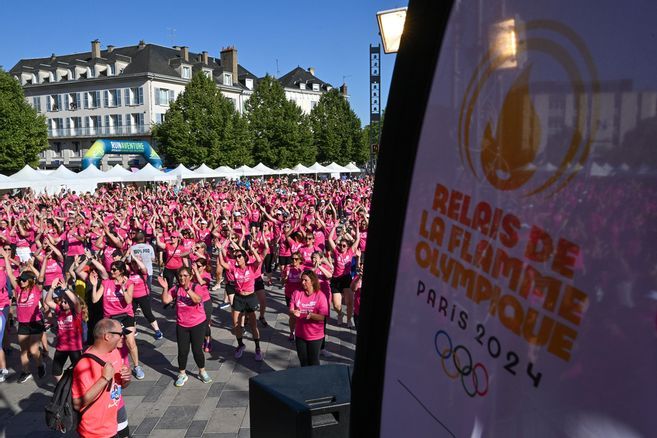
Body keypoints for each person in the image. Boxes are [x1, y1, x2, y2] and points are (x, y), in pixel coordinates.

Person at [72, 318, 132, 438]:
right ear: (107, 336)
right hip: (95, 432)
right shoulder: (85, 364)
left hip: (112, 425)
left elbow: (121, 385)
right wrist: (104, 379)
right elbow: (77, 404)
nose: (123, 337)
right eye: (120, 334)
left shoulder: (114, 352)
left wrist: (126, 378)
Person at [90, 258, 145, 380]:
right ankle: (115, 365)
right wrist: (94, 286)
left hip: (125, 315)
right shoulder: (105, 282)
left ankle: (136, 366)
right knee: (112, 344)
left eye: (114, 270)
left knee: (130, 342)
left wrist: (123, 288)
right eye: (111, 269)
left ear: (121, 271)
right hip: (110, 317)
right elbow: (94, 299)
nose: (112, 271)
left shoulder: (129, 282)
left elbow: (129, 301)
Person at [158, 267, 213, 386]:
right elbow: (166, 300)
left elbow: (197, 299)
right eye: (180, 276)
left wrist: (187, 289)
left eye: (185, 276)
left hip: (198, 324)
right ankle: (182, 374)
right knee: (182, 351)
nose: (182, 278)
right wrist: (165, 288)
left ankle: (202, 371)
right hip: (182, 324)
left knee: (197, 350)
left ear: (190, 276)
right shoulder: (176, 288)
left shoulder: (195, 287)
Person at [2, 248, 46, 383]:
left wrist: (45, 260)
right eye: (21, 279)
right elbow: (9, 273)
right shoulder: (18, 289)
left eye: (24, 280)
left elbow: (41, 277)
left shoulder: (36, 290)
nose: (21, 281)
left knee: (33, 350)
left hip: (35, 323)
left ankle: (40, 364)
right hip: (23, 323)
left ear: (30, 281)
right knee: (23, 350)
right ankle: (25, 372)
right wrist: (5, 257)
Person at [218, 243, 264, 361]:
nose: (236, 258)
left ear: (244, 258)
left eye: (239, 256)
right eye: (236, 256)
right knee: (236, 325)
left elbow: (259, 260)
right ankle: (240, 345)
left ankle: (257, 348)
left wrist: (252, 248)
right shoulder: (234, 268)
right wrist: (220, 249)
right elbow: (222, 264)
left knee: (253, 325)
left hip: (250, 297)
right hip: (239, 298)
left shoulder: (251, 267)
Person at [43, 278, 83, 381]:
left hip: (74, 348)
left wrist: (66, 289)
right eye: (62, 301)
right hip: (61, 348)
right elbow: (47, 301)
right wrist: (51, 288)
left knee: (79, 372)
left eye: (66, 302)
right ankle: (63, 388)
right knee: (56, 372)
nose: (62, 303)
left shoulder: (76, 313)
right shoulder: (59, 311)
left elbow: (76, 302)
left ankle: (78, 390)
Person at [289, 270, 329, 367]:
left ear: (313, 281)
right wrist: (293, 312)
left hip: (315, 336)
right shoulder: (297, 293)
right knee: (303, 362)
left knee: (314, 362)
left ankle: (315, 381)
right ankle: (306, 381)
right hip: (300, 335)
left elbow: (323, 317)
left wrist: (311, 315)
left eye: (305, 280)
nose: (303, 282)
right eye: (302, 280)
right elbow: (291, 310)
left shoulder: (320, 296)